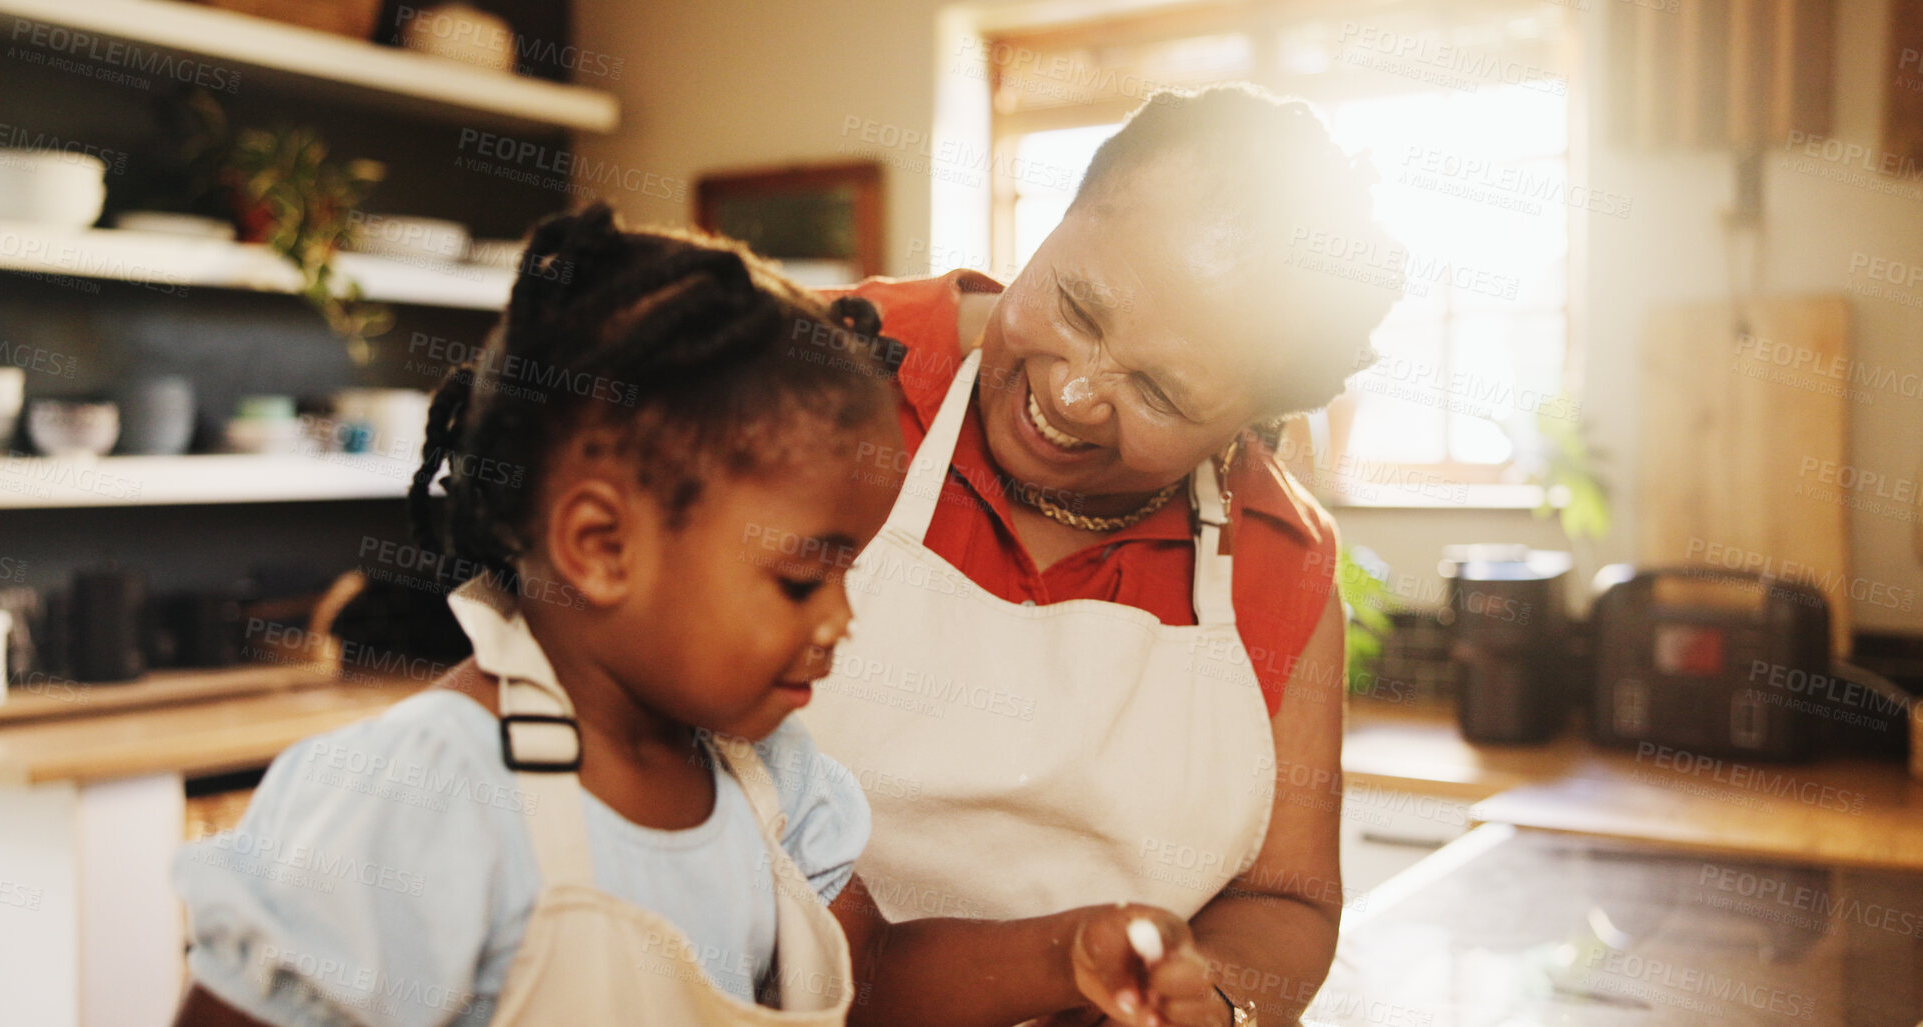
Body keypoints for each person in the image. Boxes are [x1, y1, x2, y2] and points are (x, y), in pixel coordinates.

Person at [169, 206, 1227, 1027]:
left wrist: (1070, 953)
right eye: (803, 580)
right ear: (601, 544)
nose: (841, 622)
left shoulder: (771, 786)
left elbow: (873, 977)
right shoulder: (423, 797)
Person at [799, 84, 1402, 1025]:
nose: (1073, 396)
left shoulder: (1279, 563)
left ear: (1245, 426)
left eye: (1160, 392)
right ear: (1055, 220)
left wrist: (1214, 1003)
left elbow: (1286, 902)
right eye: (1074, 305)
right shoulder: (803, 370)